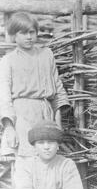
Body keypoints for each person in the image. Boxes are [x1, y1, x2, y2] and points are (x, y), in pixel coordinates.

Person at [0, 12, 70, 159]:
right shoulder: (8, 61)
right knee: (25, 161)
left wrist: (57, 124)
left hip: (46, 115)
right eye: (23, 33)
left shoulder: (46, 55)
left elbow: (57, 90)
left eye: (32, 32)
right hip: (22, 117)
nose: (29, 37)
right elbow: (4, 97)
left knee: (47, 162)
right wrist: (9, 127)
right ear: (14, 35)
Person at [12, 121, 85, 189]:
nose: (46, 147)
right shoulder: (25, 166)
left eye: (51, 142)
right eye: (41, 142)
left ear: (58, 145)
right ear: (34, 146)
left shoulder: (67, 164)